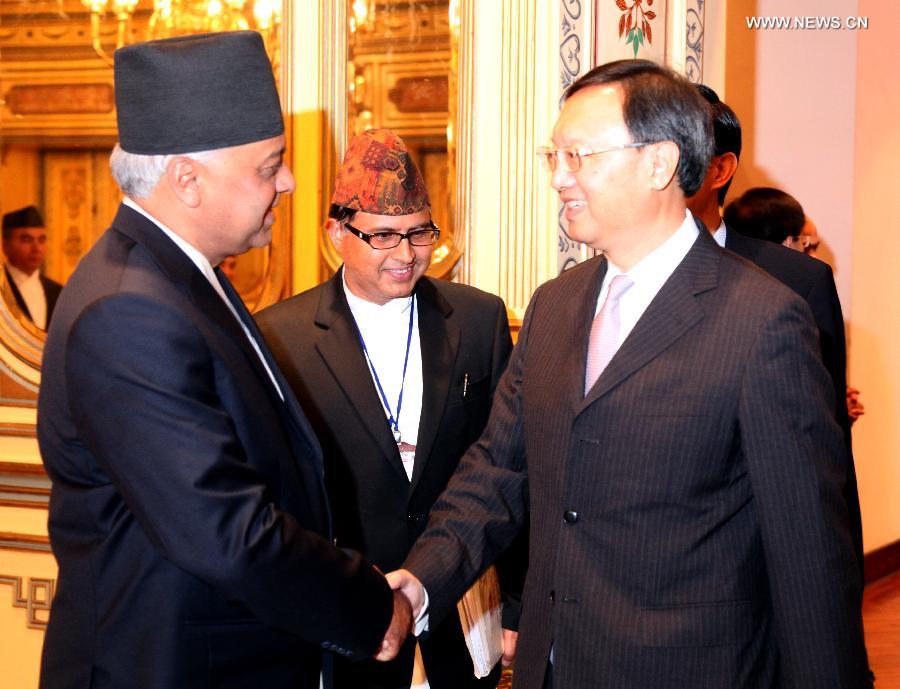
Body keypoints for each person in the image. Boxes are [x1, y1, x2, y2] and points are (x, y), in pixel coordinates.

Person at [389, 60, 870, 689]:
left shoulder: (761, 320)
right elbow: (498, 470)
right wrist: (419, 582)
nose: (559, 177)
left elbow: (808, 553)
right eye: (552, 155)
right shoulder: (554, 305)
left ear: (659, 164)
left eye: (579, 155)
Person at [37, 31, 409, 689]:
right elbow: (227, 532)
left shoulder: (174, 275)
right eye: (269, 166)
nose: (290, 182)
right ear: (187, 179)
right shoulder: (128, 309)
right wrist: (370, 602)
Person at [256, 128, 518, 689]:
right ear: (336, 233)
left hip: (462, 609)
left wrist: (516, 605)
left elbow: (510, 464)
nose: (406, 255)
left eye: (419, 233)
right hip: (347, 622)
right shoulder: (281, 338)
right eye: (383, 237)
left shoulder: (479, 319)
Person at [686, 84, 864, 575]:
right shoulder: (590, 285)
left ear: (720, 168)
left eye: (675, 145)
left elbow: (824, 456)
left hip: (751, 566)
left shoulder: (796, 281)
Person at [2, 205, 63, 329]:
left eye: (41, 240)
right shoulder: (2, 287)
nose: (37, 249)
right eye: (27, 240)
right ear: (5, 245)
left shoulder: (58, 293)